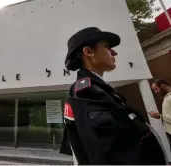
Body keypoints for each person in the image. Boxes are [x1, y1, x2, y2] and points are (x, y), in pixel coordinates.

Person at [59, 27, 168, 165]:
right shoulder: (88, 92)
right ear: (88, 52)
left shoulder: (98, 88)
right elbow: (104, 151)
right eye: (106, 46)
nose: (114, 52)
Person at [149, 79, 171, 148]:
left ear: (163, 86)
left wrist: (160, 116)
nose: (155, 92)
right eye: (154, 90)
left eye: (156, 89)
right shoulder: (167, 97)